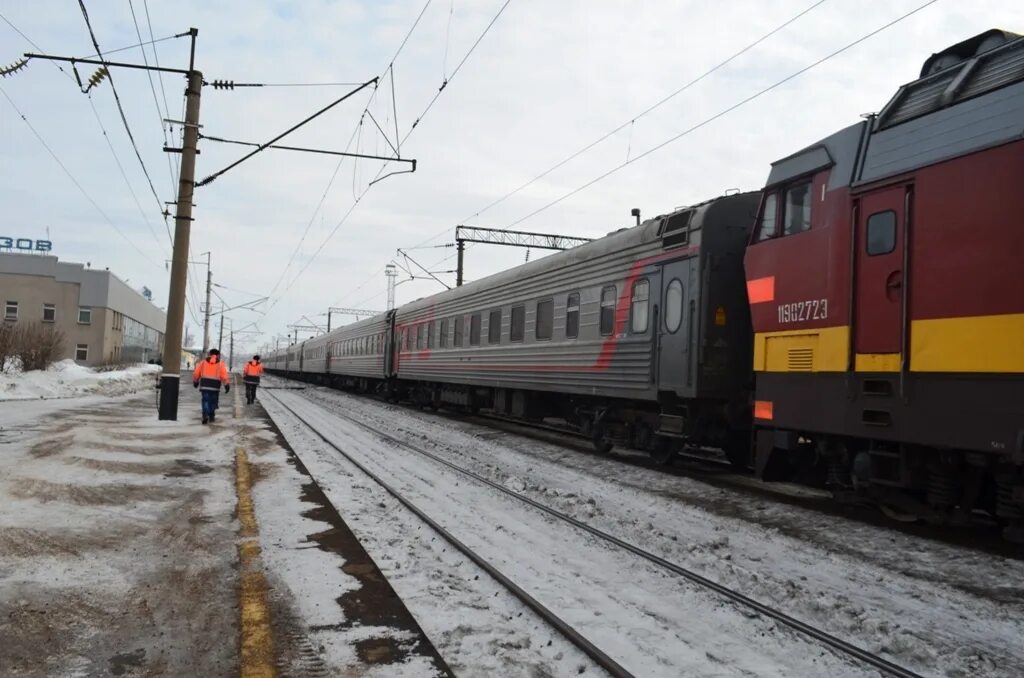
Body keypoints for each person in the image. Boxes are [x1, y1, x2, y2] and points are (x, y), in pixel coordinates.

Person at [192, 348, 230, 424]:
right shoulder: (220, 364)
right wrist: (226, 385)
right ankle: (211, 415)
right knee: (213, 401)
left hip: (204, 385)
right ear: (218, 355)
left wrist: (195, 381)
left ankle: (205, 414)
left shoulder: (203, 363)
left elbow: (196, 373)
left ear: (209, 354)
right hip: (215, 386)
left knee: (205, 400)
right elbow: (224, 376)